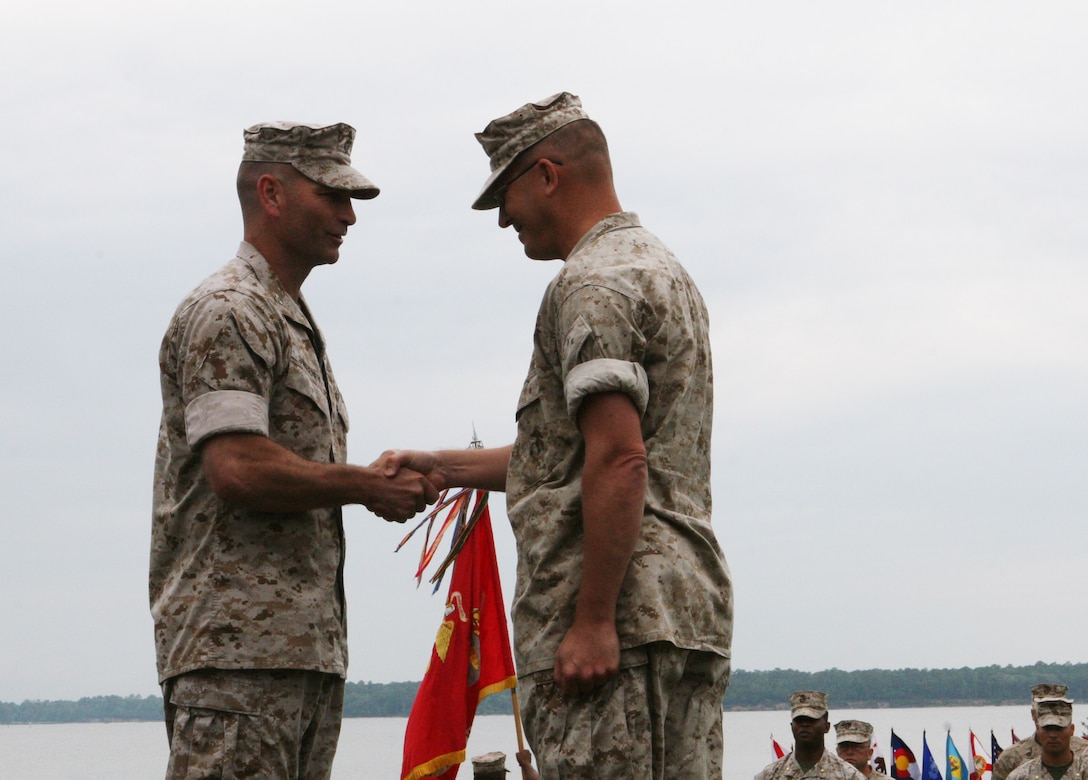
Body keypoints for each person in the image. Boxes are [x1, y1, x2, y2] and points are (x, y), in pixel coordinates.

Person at [380, 92, 733, 778]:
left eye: (504, 196)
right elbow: (575, 452)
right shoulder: (661, 270)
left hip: (612, 628)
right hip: (683, 615)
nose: (503, 218)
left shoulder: (589, 285)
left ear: (547, 175)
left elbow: (620, 457)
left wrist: (594, 617)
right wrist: (443, 466)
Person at [150, 121, 438, 779]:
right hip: (236, 661)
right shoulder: (231, 308)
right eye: (332, 195)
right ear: (272, 193)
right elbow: (237, 467)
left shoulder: (288, 316)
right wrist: (365, 485)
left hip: (297, 655)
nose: (348, 216)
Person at [754, 692, 867, 780]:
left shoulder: (849, 776)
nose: (805, 724)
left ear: (826, 727)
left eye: (812, 720)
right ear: (791, 726)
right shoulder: (770, 775)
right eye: (799, 720)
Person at [994, 684, 1088, 780]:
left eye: (1059, 728)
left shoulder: (1084, 752)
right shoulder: (1013, 761)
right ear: (1034, 714)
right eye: (1044, 709)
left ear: (1071, 729)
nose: (1053, 735)